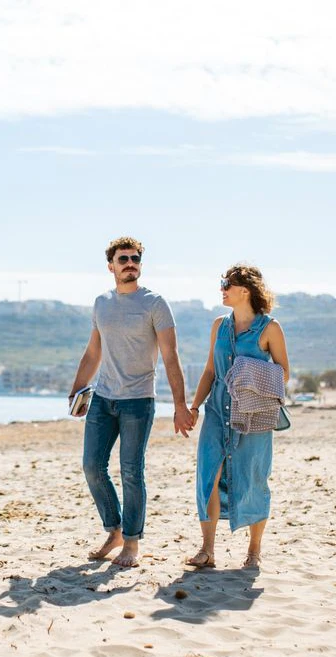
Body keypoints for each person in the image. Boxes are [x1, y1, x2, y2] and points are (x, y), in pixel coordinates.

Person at [68, 236, 192, 568]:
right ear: (111, 266)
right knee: (92, 467)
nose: (130, 264)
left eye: (135, 259)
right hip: (103, 398)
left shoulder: (155, 304)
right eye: (123, 259)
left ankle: (132, 544)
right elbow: (93, 351)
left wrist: (180, 405)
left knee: (132, 472)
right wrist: (77, 388)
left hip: (138, 400)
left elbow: (171, 357)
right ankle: (115, 529)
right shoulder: (101, 303)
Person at [185, 264, 290, 570]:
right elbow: (209, 371)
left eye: (226, 284)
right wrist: (193, 407)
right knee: (209, 474)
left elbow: (284, 372)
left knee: (254, 477)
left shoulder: (271, 329)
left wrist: (248, 373)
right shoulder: (219, 325)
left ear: (245, 290)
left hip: (254, 413)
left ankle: (254, 551)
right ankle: (207, 549)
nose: (222, 289)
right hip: (216, 410)